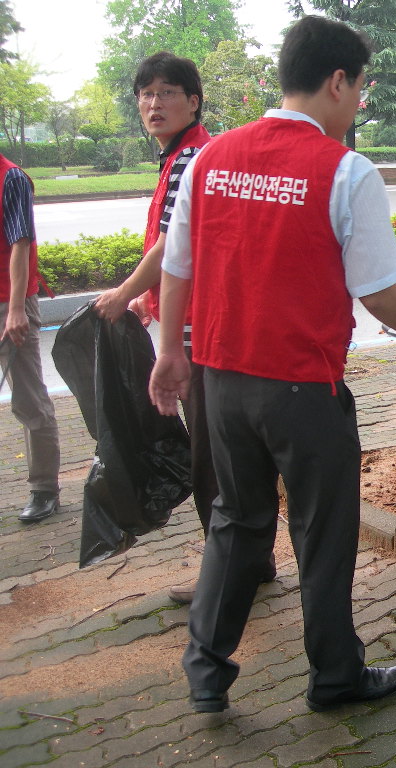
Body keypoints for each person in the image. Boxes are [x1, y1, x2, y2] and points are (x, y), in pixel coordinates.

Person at [148, 15, 396, 713]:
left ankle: (206, 667)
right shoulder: (346, 170)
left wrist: (169, 353)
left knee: (237, 519)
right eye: (360, 88)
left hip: (219, 380)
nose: (359, 102)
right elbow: (375, 290)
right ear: (337, 81)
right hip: (302, 390)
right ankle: (336, 678)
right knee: (322, 527)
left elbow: (178, 268)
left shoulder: (211, 158)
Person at [93, 53, 268, 604]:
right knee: (223, 453)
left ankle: (230, 572)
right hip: (198, 323)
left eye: (168, 92)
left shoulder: (195, 157)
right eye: (146, 94)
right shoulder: (183, 157)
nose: (154, 104)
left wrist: (125, 292)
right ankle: (250, 560)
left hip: (201, 332)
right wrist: (151, 298)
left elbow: (174, 244)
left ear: (193, 101)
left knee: (212, 459)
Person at [0, 153, 61, 524]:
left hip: (9, 303)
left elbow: (21, 243)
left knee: (28, 398)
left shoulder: (12, 179)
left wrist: (17, 307)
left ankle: (44, 489)